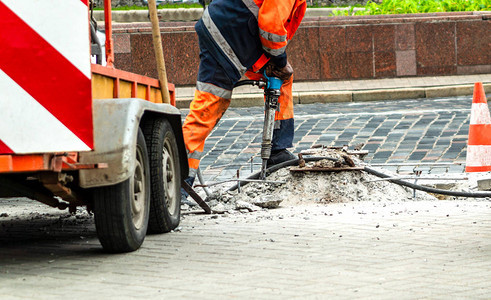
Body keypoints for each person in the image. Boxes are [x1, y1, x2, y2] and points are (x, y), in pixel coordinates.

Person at [181, 0, 307, 204]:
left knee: (281, 78)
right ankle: (177, 183)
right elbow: (272, 27)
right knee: (208, 107)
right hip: (228, 35)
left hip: (228, 30)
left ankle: (278, 149)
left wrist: (278, 63)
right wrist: (280, 61)